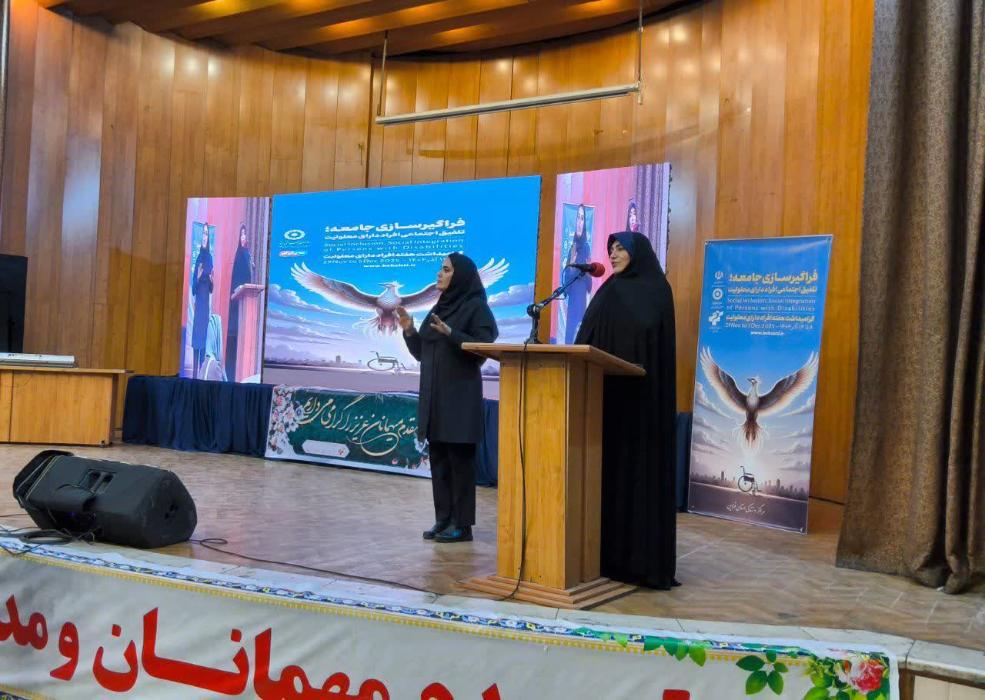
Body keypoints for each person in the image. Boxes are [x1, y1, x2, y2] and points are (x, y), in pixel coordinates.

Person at [575, 231, 678, 589]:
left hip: (644, 404)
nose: (614, 254)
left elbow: (653, 341)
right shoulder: (608, 291)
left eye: (621, 248)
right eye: (611, 249)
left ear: (638, 252)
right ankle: (603, 555)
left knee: (638, 476)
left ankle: (640, 561)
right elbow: (585, 340)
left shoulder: (658, 291)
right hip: (606, 402)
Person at [396, 253, 498, 544]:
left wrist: (452, 333)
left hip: (460, 399)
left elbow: (483, 347)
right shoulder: (439, 307)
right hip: (435, 399)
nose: (439, 274)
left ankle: (462, 526)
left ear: (460, 275)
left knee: (460, 464)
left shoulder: (476, 307)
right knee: (440, 461)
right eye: (440, 269)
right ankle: (443, 519)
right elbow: (423, 353)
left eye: (446, 269)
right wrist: (409, 331)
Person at [226, 223, 254, 382]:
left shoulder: (248, 254)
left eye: (245, 234)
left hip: (246, 303)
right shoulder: (239, 255)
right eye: (241, 234)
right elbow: (237, 281)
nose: (244, 237)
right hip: (237, 306)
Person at [561, 204, 591, 343]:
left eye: (582, 218)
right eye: (578, 217)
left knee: (581, 338)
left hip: (582, 301)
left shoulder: (586, 248)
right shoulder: (572, 248)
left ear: (584, 223)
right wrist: (571, 264)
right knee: (569, 338)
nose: (579, 222)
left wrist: (588, 270)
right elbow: (566, 286)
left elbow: (589, 285)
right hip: (572, 301)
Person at [190, 226, 214, 380]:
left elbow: (211, 288)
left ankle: (201, 375)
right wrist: (198, 277)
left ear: (209, 237)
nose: (204, 236)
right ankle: (194, 375)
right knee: (196, 337)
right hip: (199, 301)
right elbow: (193, 288)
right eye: (203, 233)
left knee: (204, 337)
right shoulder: (198, 257)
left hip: (205, 303)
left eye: (206, 233)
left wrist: (211, 280)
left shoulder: (210, 258)